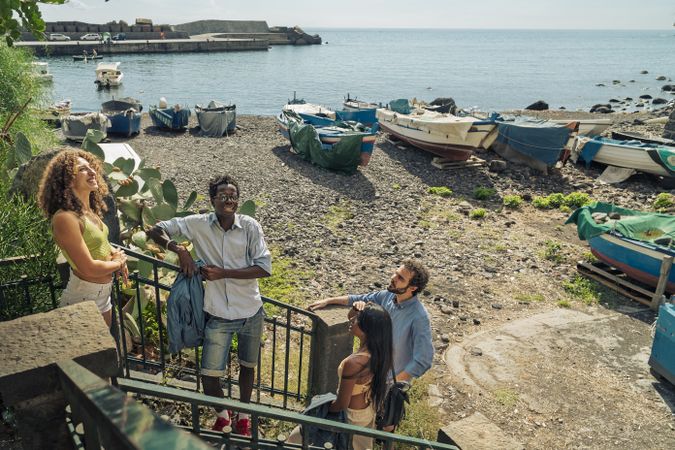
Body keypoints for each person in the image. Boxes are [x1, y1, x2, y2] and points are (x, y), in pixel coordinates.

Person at [147, 175, 271, 437]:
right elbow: (155, 228)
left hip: (251, 310)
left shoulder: (250, 227)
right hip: (218, 313)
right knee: (209, 375)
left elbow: (263, 268)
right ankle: (223, 416)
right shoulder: (198, 224)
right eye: (224, 195)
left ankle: (244, 417)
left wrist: (223, 273)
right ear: (213, 199)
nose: (230, 200)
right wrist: (179, 249)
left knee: (248, 367)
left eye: (233, 195)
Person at [37, 150, 128, 327]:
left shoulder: (89, 213)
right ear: (68, 179)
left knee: (104, 352)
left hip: (103, 296)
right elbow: (89, 268)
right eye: (83, 169)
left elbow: (100, 245)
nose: (92, 172)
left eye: (91, 167)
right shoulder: (65, 218)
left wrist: (116, 254)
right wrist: (118, 263)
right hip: (83, 298)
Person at [309, 259, 433, 387]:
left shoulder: (419, 317)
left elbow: (423, 360)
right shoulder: (388, 296)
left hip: (387, 384)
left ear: (412, 288)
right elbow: (358, 299)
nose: (393, 278)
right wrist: (329, 300)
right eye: (396, 273)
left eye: (400, 278)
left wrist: (393, 383)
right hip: (369, 372)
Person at [287, 303, 393, 450]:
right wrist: (356, 309)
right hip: (366, 411)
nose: (351, 320)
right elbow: (351, 318)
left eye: (357, 319)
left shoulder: (354, 363)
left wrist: (321, 409)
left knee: (296, 438)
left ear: (367, 329)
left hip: (349, 416)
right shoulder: (381, 353)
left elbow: (341, 404)